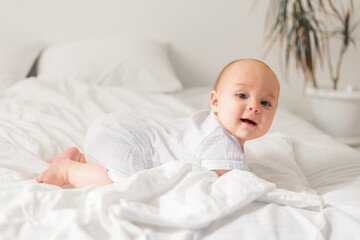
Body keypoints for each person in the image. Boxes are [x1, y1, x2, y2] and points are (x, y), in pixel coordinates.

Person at [35, 59, 280, 188]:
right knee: (125, 187)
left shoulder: (213, 129)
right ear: (215, 102)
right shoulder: (219, 140)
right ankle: (69, 170)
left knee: (125, 170)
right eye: (242, 95)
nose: (254, 106)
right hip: (122, 137)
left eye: (266, 103)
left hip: (117, 130)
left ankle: (81, 158)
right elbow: (235, 187)